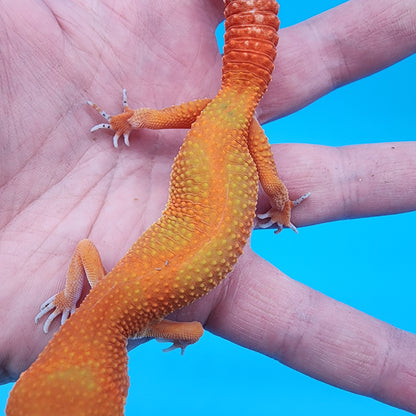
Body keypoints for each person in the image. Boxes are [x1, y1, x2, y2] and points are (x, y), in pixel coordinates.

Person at [0, 0, 415, 412]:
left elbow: (194, 331)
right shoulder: (102, 293)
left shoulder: (146, 323)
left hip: (226, 127)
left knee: (268, 177)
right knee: (262, 170)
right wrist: (67, 298)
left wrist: (169, 335)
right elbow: (84, 251)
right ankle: (273, 202)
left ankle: (281, 206)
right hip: (221, 126)